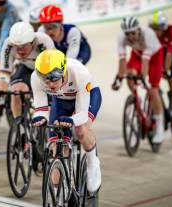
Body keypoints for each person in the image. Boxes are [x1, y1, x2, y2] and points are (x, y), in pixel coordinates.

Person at [31, 49, 102, 193]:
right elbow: (41, 108)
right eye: (45, 79)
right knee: (56, 146)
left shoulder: (79, 73)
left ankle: (92, 162)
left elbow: (81, 114)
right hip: (61, 101)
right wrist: (40, 117)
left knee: (81, 130)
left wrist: (71, 119)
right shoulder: (35, 78)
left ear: (63, 71)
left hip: (87, 97)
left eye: (54, 78)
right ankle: (58, 196)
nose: (50, 84)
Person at [112, 16, 165, 145]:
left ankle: (159, 126)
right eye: (127, 34)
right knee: (129, 75)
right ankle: (136, 99)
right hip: (137, 55)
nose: (130, 37)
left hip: (155, 56)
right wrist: (119, 78)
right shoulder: (121, 38)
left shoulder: (149, 35)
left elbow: (145, 64)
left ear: (139, 30)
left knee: (153, 90)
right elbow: (122, 61)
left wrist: (142, 79)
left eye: (133, 33)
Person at [0, 22, 54, 120]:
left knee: (48, 101)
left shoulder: (43, 41)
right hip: (26, 68)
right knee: (16, 91)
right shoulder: (8, 45)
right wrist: (1, 98)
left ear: (32, 43)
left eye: (24, 46)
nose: (20, 50)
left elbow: (52, 71)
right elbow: (4, 72)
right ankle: (20, 129)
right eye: (17, 46)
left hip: (45, 70)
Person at [148, 11, 172, 135]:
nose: (155, 32)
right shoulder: (151, 36)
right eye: (153, 29)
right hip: (161, 56)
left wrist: (164, 71)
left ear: (164, 27)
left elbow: (169, 55)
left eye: (157, 29)